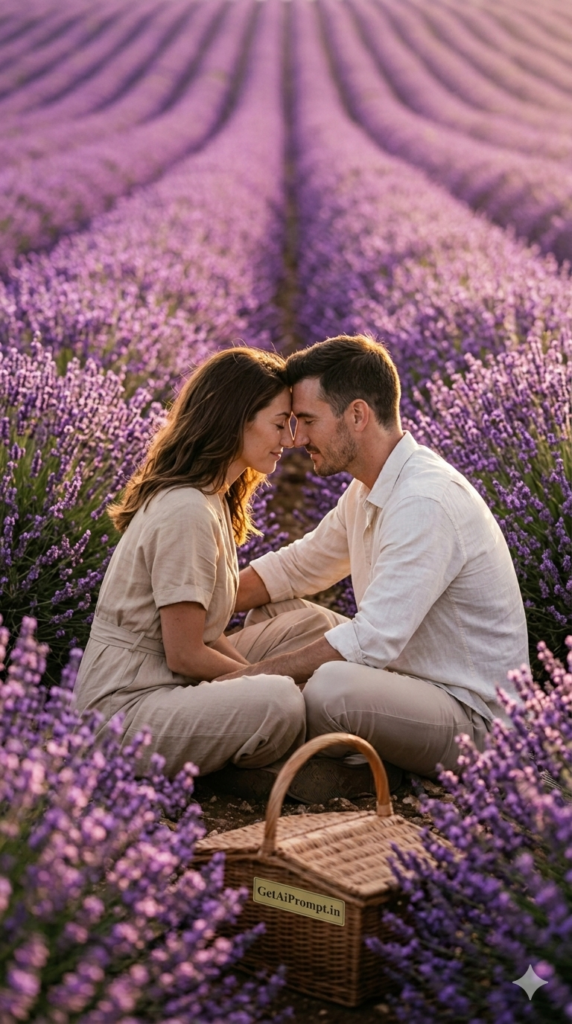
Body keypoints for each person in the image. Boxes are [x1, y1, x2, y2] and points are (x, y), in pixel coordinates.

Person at [216, 334, 529, 794]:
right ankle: (333, 749)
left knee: (329, 690)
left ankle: (352, 765)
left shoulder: (424, 500)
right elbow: (298, 567)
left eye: (307, 420)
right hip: (406, 683)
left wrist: (250, 677)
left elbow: (373, 640)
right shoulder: (368, 487)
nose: (297, 439)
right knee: (275, 612)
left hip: (471, 719)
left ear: (357, 415)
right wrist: (199, 608)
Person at [73, 347, 342, 784]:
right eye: (279, 424)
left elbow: (208, 633)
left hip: (168, 681)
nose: (290, 440)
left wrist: (260, 676)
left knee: (312, 630)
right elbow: (185, 654)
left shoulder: (212, 497)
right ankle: (243, 762)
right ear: (237, 420)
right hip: (126, 711)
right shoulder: (188, 511)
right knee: (280, 702)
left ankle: (236, 739)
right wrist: (269, 681)